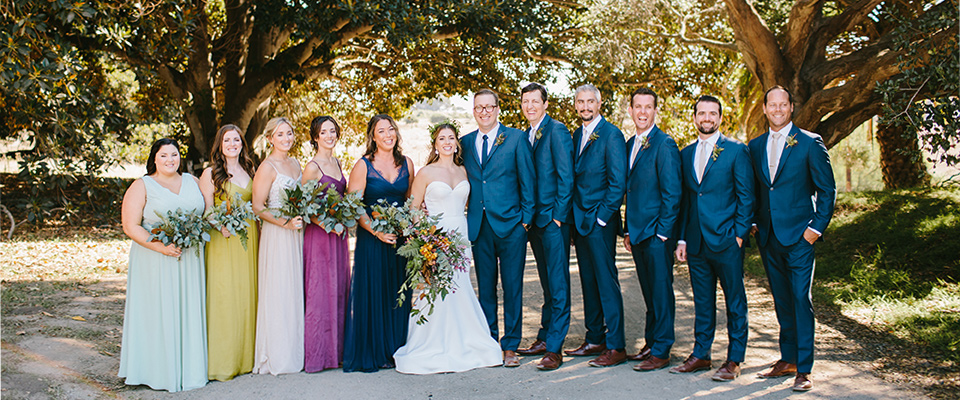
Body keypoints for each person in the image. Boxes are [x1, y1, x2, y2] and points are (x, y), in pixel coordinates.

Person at [393, 123, 503, 374]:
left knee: (458, 284)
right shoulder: (426, 173)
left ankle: (465, 340)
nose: (446, 142)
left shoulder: (464, 171)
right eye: (441, 138)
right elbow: (413, 207)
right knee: (434, 285)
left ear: (456, 143)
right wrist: (426, 239)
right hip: (435, 236)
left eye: (451, 138)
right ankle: (431, 342)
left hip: (461, 236)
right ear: (435, 143)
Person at [749, 86, 836, 392]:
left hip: (800, 236)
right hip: (769, 237)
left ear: (790, 107)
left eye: (782, 104)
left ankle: (805, 367)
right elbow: (760, 191)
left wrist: (816, 228)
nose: (777, 109)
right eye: (772, 105)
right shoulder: (756, 146)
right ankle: (787, 358)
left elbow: (828, 189)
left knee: (801, 299)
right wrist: (756, 223)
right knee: (782, 299)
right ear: (764, 109)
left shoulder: (810, 143)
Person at [672, 96, 754, 381]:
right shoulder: (685, 153)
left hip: (727, 241)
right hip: (695, 243)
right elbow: (685, 202)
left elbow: (746, 197)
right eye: (702, 113)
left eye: (712, 113)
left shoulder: (735, 151)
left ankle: (734, 359)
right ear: (694, 117)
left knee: (734, 301)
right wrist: (681, 240)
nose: (707, 118)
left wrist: (739, 236)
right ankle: (701, 354)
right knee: (702, 301)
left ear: (720, 117)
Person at [119, 138, 207, 392]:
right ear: (154, 159)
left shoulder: (192, 181)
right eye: (164, 155)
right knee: (158, 311)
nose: (170, 160)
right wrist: (160, 247)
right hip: (155, 259)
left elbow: (203, 215)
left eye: (175, 155)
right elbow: (130, 225)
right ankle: (157, 371)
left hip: (189, 257)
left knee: (187, 309)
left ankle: (189, 369)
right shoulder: (142, 185)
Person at [460, 89, 536, 368]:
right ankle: (490, 342)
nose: (484, 112)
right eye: (479, 108)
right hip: (479, 227)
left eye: (489, 107)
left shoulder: (516, 138)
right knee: (486, 289)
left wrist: (525, 221)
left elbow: (528, 181)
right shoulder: (465, 143)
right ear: (474, 111)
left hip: (512, 226)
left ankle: (511, 346)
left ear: (497, 109)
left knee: (513, 287)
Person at [343, 114, 415, 372]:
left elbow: (410, 202)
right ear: (373, 136)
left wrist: (410, 226)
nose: (388, 134)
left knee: (399, 294)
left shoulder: (407, 163)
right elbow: (354, 206)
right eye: (381, 130)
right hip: (373, 240)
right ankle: (376, 352)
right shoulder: (363, 165)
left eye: (391, 129)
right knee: (375, 292)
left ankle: (396, 348)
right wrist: (376, 231)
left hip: (401, 240)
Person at [564, 84, 628, 367]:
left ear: (599, 104)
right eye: (581, 102)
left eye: (591, 101)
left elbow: (617, 184)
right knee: (588, 281)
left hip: (600, 222)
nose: (585, 106)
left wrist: (602, 217)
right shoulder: (577, 133)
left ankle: (616, 345)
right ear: (575, 105)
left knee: (606, 282)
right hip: (580, 222)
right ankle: (594, 339)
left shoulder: (612, 135)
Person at [514, 83, 575, 371]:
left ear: (545, 104)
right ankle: (544, 334)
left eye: (535, 101)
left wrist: (559, 217)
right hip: (534, 221)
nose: (530, 106)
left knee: (559, 283)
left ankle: (554, 349)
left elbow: (566, 176)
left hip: (552, 220)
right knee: (547, 283)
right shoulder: (524, 134)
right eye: (525, 101)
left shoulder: (557, 131)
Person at [621, 88, 682, 372]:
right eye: (638, 107)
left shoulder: (664, 144)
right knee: (648, 291)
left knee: (661, 292)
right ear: (631, 110)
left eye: (648, 107)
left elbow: (673, 194)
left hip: (657, 235)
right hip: (637, 232)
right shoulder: (630, 142)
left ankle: (662, 349)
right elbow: (630, 191)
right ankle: (651, 341)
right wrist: (627, 231)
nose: (642, 112)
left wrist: (662, 234)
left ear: (655, 111)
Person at [199, 125, 259, 381]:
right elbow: (207, 209)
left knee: (246, 294)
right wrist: (220, 225)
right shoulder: (210, 173)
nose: (232, 144)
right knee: (224, 295)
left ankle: (245, 359)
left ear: (242, 144)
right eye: (227, 140)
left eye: (236, 139)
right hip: (223, 240)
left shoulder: (250, 170)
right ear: (219, 145)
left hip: (249, 240)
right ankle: (223, 362)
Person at [251, 117, 305, 375]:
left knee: (294, 288)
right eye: (280, 135)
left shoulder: (295, 163)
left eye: (290, 134)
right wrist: (284, 222)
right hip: (278, 233)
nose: (286, 139)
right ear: (270, 138)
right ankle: (277, 353)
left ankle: (296, 349)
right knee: (279, 288)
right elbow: (258, 207)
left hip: (296, 233)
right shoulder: (267, 167)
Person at [302, 116, 350, 372]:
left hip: (338, 236)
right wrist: (321, 221)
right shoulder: (312, 167)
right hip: (319, 235)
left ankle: (338, 352)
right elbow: (302, 204)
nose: (329, 136)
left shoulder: (337, 162)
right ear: (315, 137)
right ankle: (318, 356)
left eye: (333, 131)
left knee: (339, 288)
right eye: (324, 132)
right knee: (320, 291)